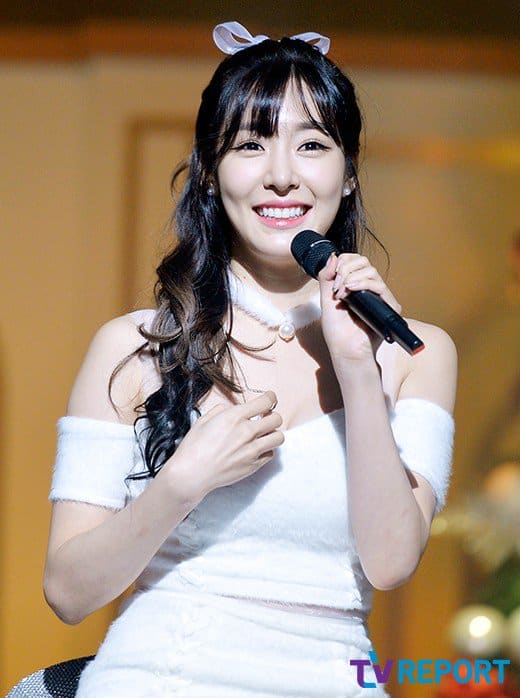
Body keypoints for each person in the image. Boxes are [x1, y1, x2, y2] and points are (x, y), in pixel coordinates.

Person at [43, 21, 457, 697]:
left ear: (350, 173)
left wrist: (358, 371)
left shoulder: (417, 352)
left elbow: (390, 562)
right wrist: (180, 484)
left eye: (312, 144)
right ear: (211, 174)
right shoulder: (134, 348)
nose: (282, 175)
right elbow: (67, 592)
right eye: (250, 144)